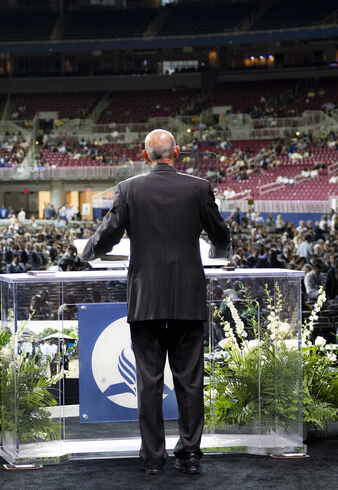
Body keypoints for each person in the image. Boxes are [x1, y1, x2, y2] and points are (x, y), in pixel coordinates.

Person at [79, 128, 231, 476]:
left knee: (147, 381)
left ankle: (153, 458)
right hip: (187, 298)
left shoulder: (129, 188)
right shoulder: (198, 187)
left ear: (145, 154)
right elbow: (220, 233)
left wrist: (88, 253)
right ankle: (190, 455)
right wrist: (220, 253)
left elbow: (108, 233)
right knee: (190, 381)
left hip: (145, 300)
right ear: (176, 152)